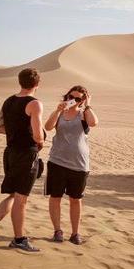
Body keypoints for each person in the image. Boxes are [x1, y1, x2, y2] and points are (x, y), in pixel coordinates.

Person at [0, 68, 45, 251]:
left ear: (20, 82)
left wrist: (17, 132)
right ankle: (19, 239)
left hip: (10, 153)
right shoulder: (35, 104)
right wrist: (40, 139)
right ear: (37, 84)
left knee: (13, 194)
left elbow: (0, 128)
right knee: (21, 198)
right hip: (26, 154)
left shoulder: (8, 101)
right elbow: (39, 135)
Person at [44, 85, 98, 244]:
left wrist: (88, 105)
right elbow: (47, 127)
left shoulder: (84, 114)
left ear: (83, 100)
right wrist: (57, 110)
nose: (73, 100)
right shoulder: (60, 113)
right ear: (66, 96)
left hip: (79, 165)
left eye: (78, 98)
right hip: (57, 161)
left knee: (76, 199)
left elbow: (94, 123)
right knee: (55, 197)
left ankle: (75, 234)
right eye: (70, 97)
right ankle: (57, 231)